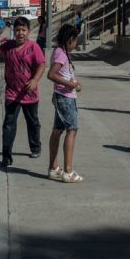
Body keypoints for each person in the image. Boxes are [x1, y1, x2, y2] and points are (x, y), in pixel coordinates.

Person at [0, 16, 46, 168]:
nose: (20, 33)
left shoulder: (34, 47)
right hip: (12, 93)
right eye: (17, 30)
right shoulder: (8, 45)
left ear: (28, 31)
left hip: (29, 94)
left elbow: (41, 65)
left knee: (33, 122)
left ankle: (35, 147)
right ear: (13, 32)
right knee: (9, 124)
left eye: (23, 30)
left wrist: (35, 80)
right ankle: (6, 157)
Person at [48, 24, 84, 183]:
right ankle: (68, 171)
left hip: (63, 94)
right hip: (65, 97)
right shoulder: (61, 54)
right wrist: (70, 85)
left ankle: (54, 167)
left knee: (57, 130)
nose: (76, 43)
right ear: (70, 39)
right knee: (72, 130)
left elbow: (64, 74)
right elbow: (52, 74)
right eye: (76, 40)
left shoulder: (62, 53)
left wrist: (74, 83)